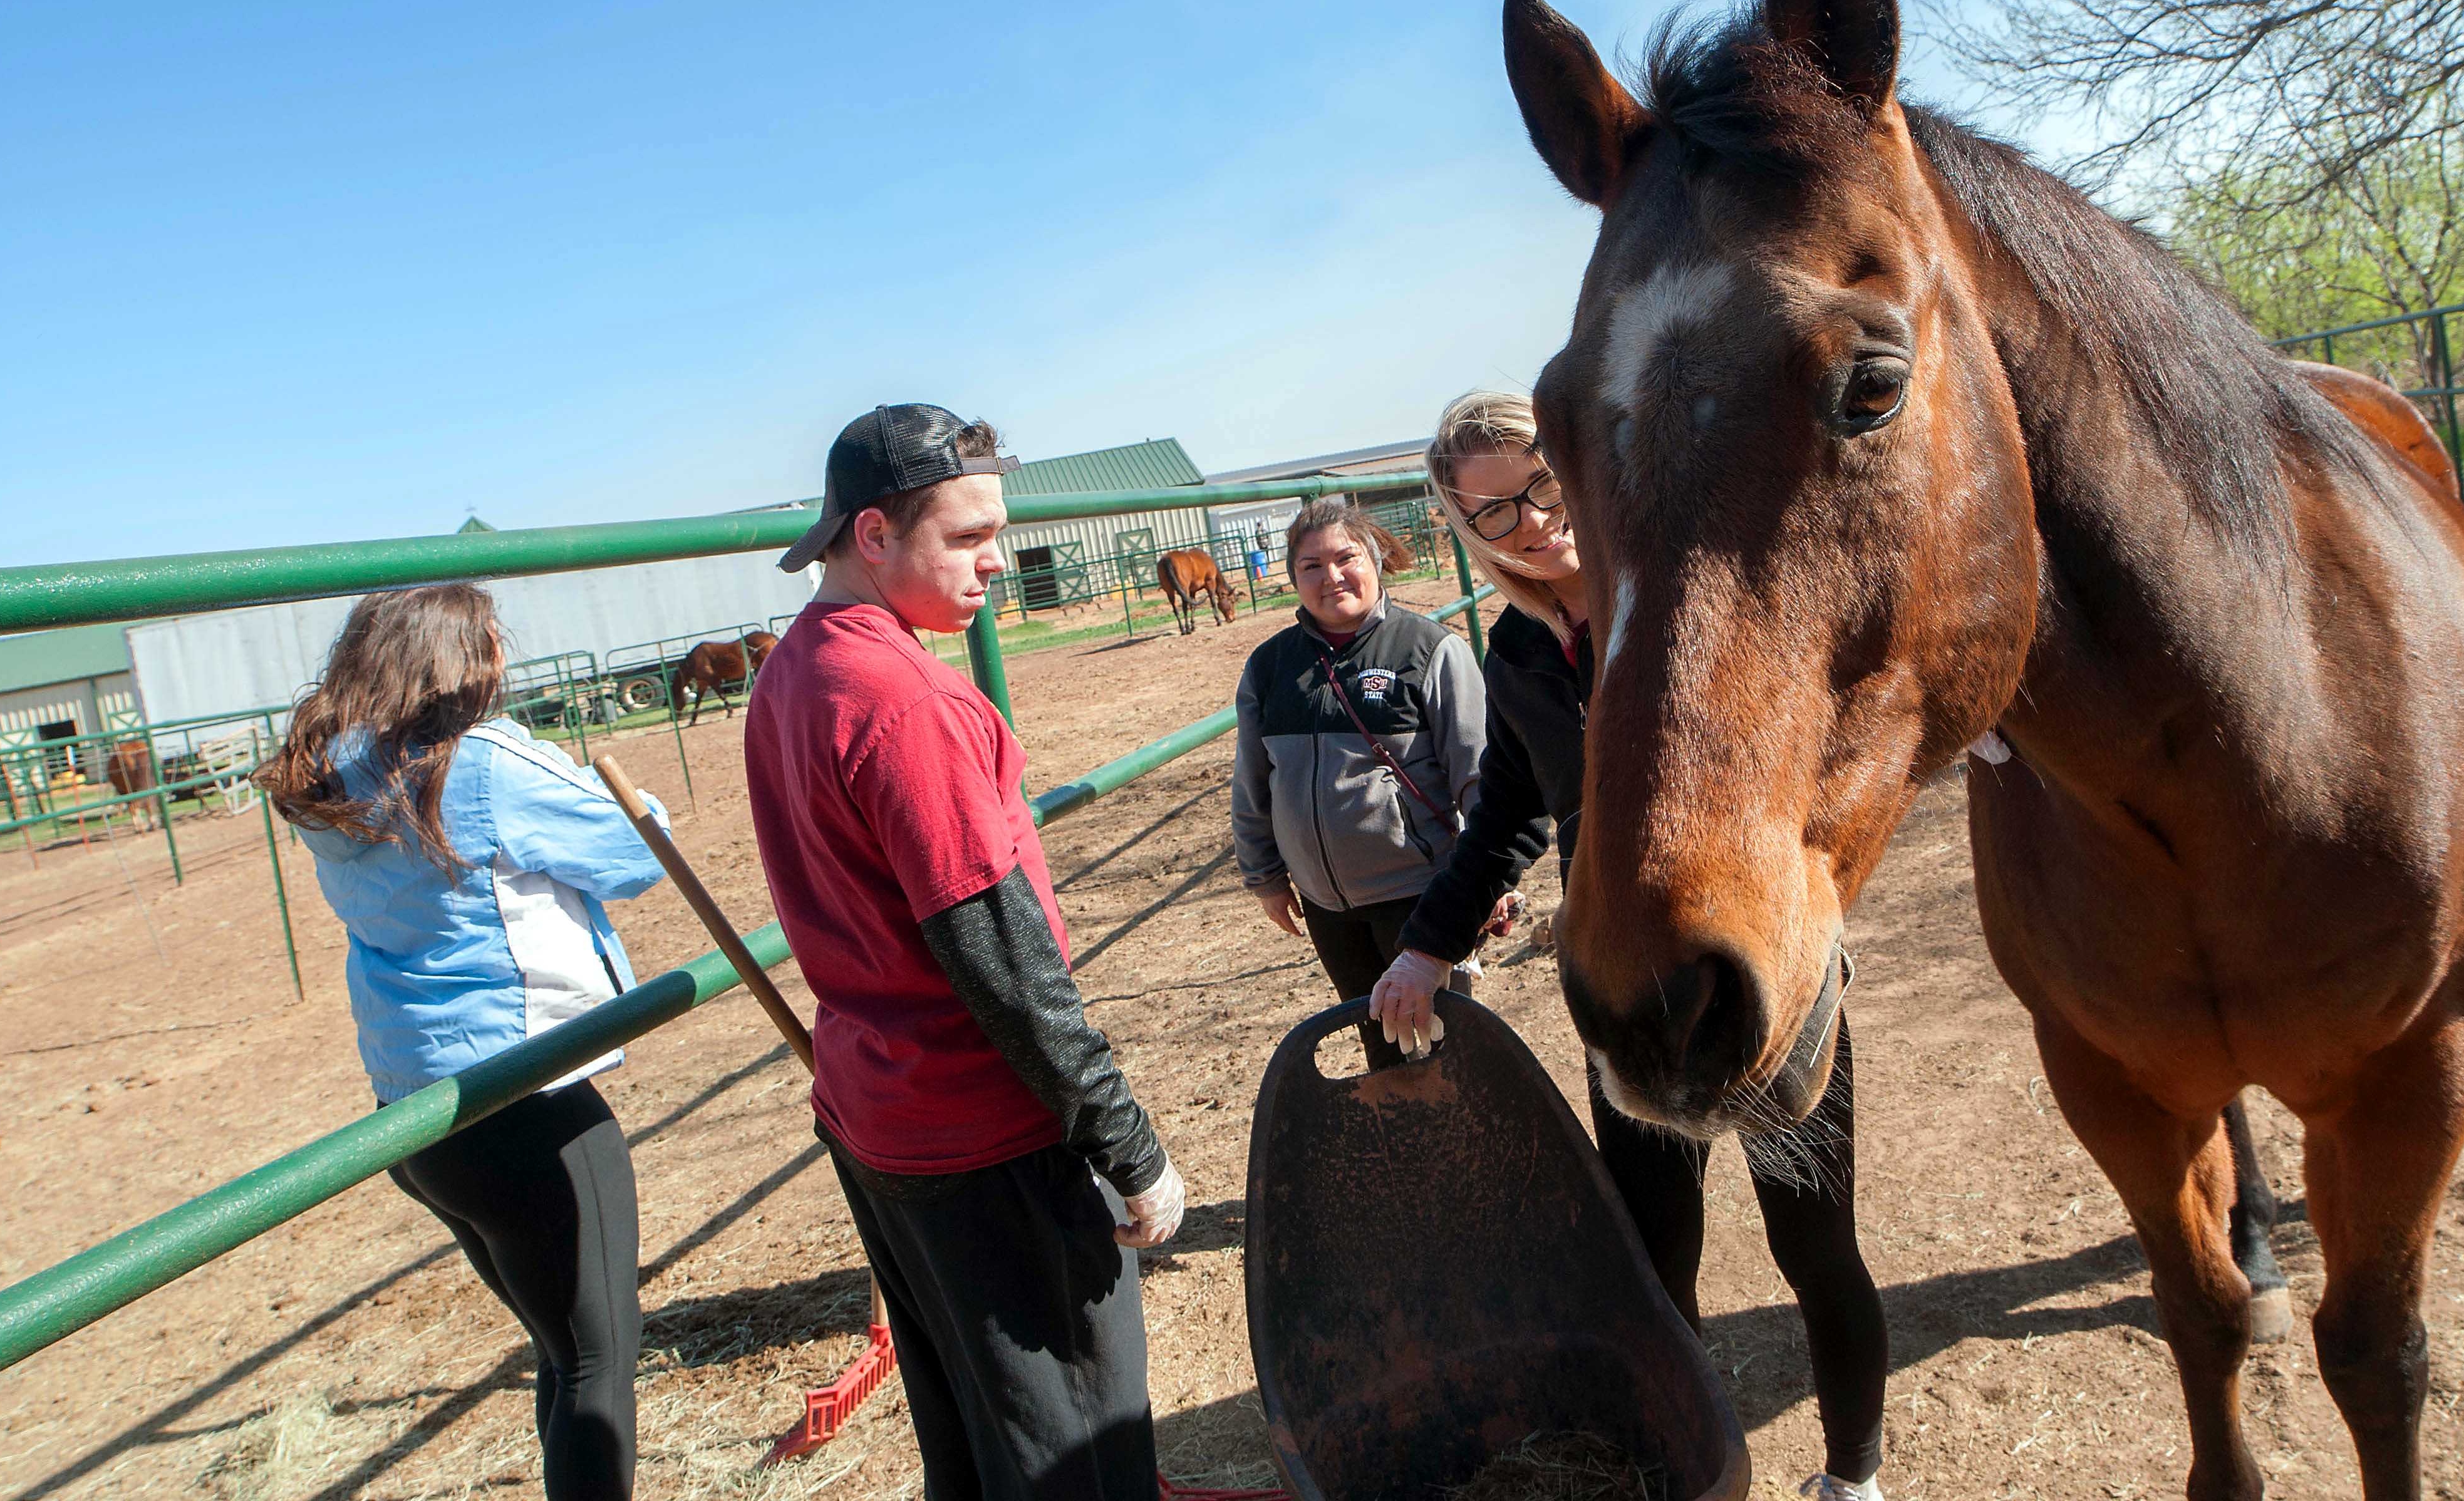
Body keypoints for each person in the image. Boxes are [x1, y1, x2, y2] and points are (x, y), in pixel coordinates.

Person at [1365, 391, 1895, 1501]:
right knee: (1654, 1258)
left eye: (1545, 482)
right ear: (1465, 528)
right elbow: (1511, 810)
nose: (1533, 520)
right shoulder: (1513, 650)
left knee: (1813, 1243)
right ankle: (1689, 1462)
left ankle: (1852, 1475)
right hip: (1618, 981)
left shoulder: (1690, 592)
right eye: (1495, 510)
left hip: (1757, 964)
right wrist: (1424, 946)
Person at [745, 402, 1183, 1501]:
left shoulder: (797, 667)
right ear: (876, 534)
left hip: (878, 1111)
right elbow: (1004, 962)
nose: (999, 558)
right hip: (985, 1127)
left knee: (974, 1431)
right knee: (1072, 1449)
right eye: (968, 535)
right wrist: (1126, 1142)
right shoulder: (907, 702)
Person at [257, 584, 662, 1501]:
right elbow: (639, 850)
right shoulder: (477, 765)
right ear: (460, 662)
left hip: (417, 1111)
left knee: (564, 1350)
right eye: (489, 644)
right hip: (525, 1094)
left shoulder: (337, 770)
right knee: (600, 1360)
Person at [1231, 497, 1488, 1069]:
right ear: (1293, 578)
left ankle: (1472, 1152)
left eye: (1346, 558)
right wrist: (1264, 874)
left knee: (1449, 1045)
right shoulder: (1270, 666)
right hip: (1327, 906)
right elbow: (1253, 780)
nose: (1332, 577)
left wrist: (1485, 881)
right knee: (1380, 1043)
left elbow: (1479, 776)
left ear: (1373, 559)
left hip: (1421, 893)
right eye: (1311, 567)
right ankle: (1407, 1150)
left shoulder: (1430, 650)